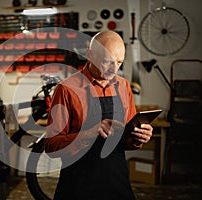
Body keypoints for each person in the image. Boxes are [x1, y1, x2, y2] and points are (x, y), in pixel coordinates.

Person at [44, 31, 153, 200]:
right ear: (89, 55)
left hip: (116, 182)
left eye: (119, 63)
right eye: (107, 62)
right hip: (77, 185)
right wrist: (88, 133)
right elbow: (51, 146)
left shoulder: (123, 86)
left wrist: (139, 137)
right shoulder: (66, 89)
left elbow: (127, 140)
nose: (114, 69)